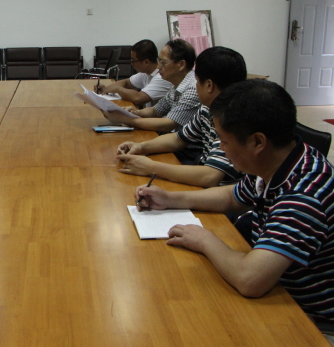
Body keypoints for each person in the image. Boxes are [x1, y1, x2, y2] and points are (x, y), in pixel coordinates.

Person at [135, 79, 334, 327]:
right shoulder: (282, 160)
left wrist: (204, 239)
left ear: (257, 142)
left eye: (224, 141)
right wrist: (169, 199)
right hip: (278, 288)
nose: (221, 149)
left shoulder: (303, 196)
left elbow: (250, 280)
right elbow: (232, 196)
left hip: (309, 318)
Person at [116, 46, 247, 187]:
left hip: (218, 192)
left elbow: (210, 176)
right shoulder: (207, 108)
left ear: (209, 85)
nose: (195, 86)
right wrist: (140, 147)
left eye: (197, 81)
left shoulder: (234, 119)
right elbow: (178, 139)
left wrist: (151, 167)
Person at [102, 39, 200, 133]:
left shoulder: (192, 88)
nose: (158, 67)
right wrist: (135, 112)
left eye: (163, 63)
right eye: (159, 61)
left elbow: (168, 125)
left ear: (181, 65)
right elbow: (155, 111)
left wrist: (125, 119)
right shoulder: (176, 86)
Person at [96, 39, 172, 107]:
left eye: (133, 61)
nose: (131, 64)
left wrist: (117, 89)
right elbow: (127, 82)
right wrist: (106, 88)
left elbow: (138, 98)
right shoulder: (145, 73)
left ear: (146, 62)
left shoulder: (161, 77)